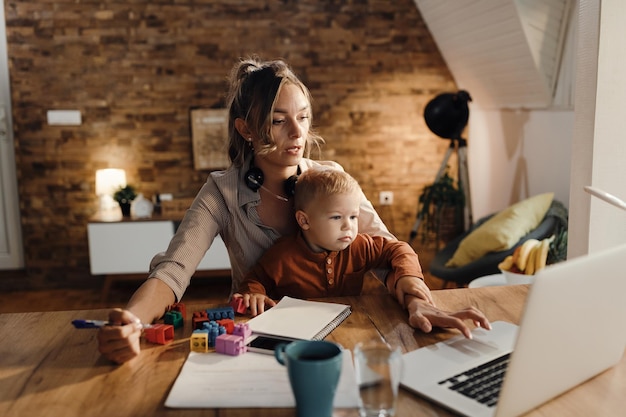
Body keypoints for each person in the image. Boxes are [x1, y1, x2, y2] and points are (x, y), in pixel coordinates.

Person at [98, 57, 489, 364]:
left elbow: (387, 250)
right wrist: (133, 322)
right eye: (279, 121)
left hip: (343, 334)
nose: (298, 133)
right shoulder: (221, 191)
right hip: (256, 338)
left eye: (302, 118)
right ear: (246, 129)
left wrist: (419, 299)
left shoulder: (331, 178)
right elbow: (173, 270)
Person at [235, 168, 490, 332]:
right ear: (304, 221)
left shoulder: (360, 246)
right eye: (336, 218)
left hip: (352, 327)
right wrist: (253, 294)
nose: (349, 226)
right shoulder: (281, 256)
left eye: (354, 216)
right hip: (298, 335)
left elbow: (398, 249)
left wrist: (409, 277)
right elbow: (255, 281)